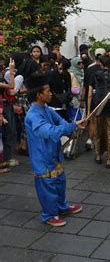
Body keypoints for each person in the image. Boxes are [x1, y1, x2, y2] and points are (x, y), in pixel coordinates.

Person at [25, 74, 86, 226]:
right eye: (47, 90)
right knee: (47, 185)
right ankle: (49, 215)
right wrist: (71, 127)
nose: (51, 93)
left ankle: (61, 206)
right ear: (39, 94)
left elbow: (60, 121)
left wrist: (69, 128)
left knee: (59, 181)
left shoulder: (46, 108)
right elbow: (50, 131)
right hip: (42, 157)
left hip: (53, 153)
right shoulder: (33, 115)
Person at [82, 48, 106, 150]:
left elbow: (85, 87)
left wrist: (82, 100)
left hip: (90, 98)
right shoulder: (105, 70)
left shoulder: (88, 69)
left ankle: (90, 139)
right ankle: (99, 141)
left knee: (91, 120)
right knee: (102, 120)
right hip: (102, 98)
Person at [0, 58, 17, 169]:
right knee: (8, 131)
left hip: (4, 106)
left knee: (7, 132)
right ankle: (6, 158)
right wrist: (11, 71)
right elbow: (11, 86)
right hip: (2, 107)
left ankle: (5, 158)